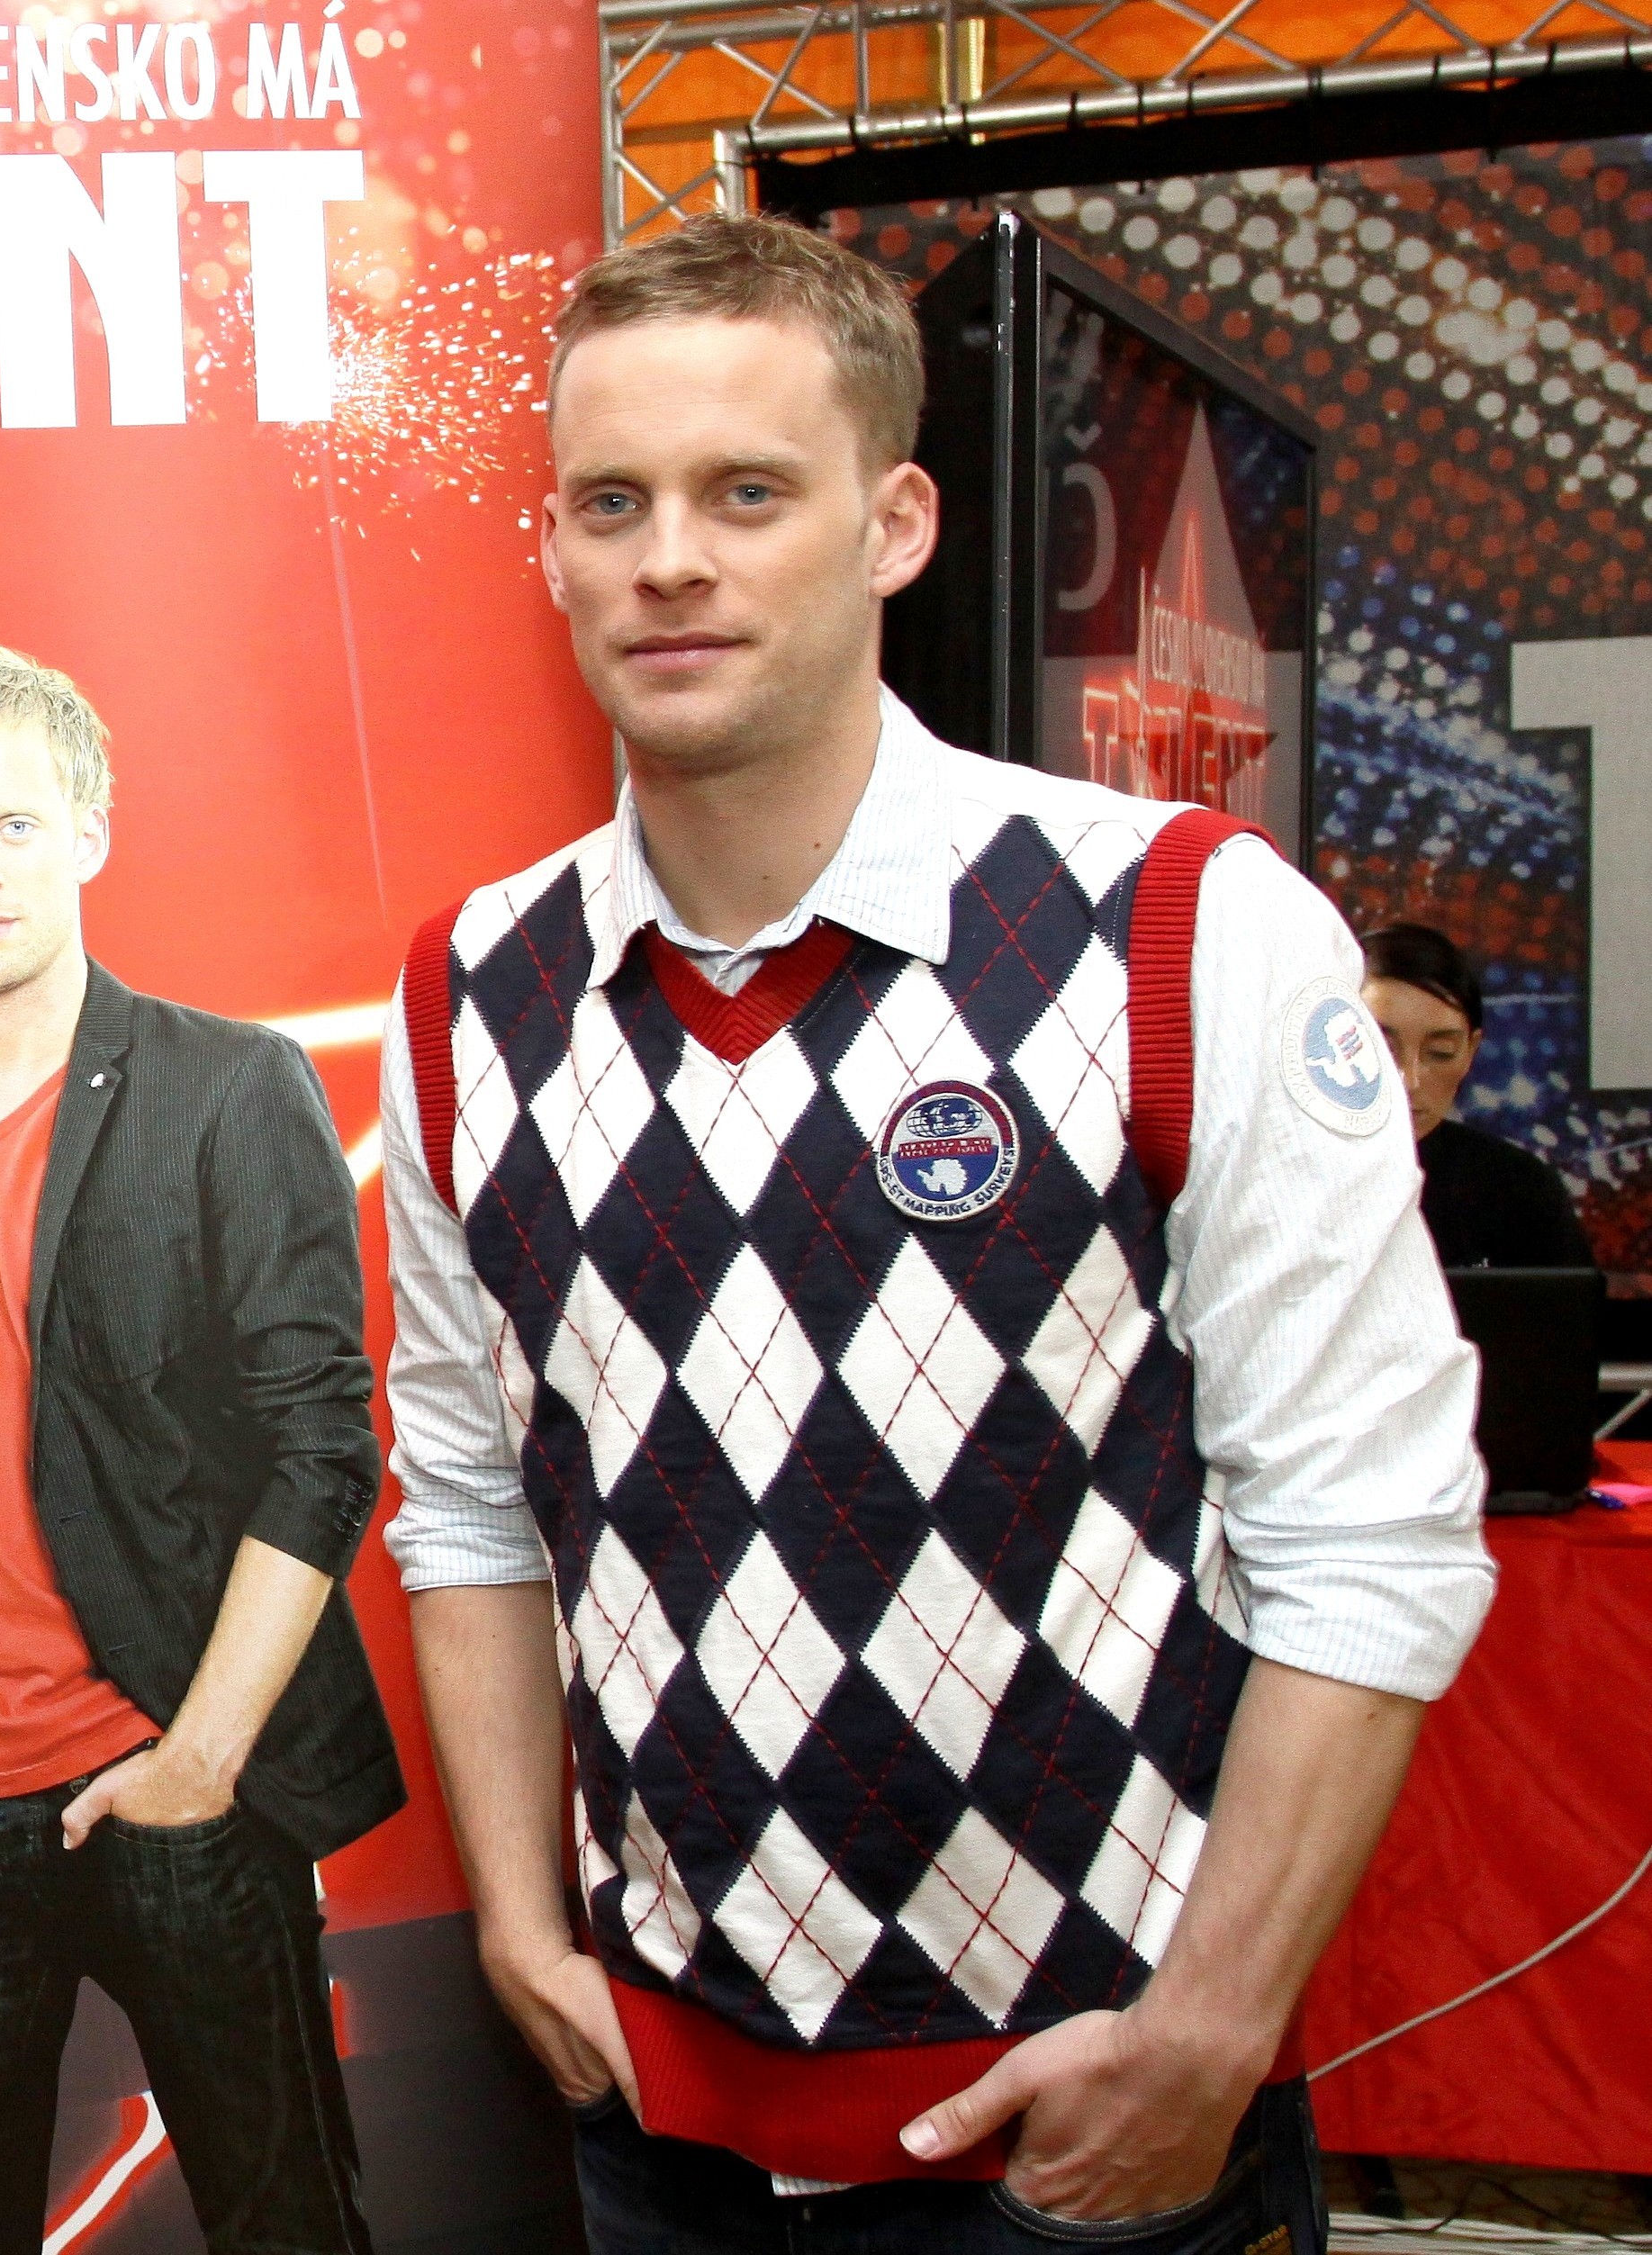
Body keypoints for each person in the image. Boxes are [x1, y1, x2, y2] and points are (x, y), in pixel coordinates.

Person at [383, 211, 1495, 2254]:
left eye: (747, 492)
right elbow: (466, 1499)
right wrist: (523, 1927)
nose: (669, 559)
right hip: (661, 2129)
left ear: (894, 524)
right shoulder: (474, 989)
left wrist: (1210, 2032)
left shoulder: (1179, 925)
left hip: (1088, 2138)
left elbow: (1375, 1528)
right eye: (610, 502)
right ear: (548, 545)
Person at [0, 642, 400, 2255]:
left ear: (89, 831)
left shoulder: (231, 1088)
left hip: (172, 1780)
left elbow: (325, 1447)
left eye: (15, 823)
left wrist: (201, 1760)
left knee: (287, 2226)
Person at [1359, 920, 1592, 1269]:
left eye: (1441, 1053)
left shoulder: (1521, 1191)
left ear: (1471, 1050)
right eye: (1383, 1048)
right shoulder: (1286, 1180)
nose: (1410, 1080)